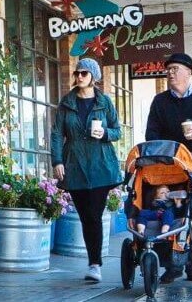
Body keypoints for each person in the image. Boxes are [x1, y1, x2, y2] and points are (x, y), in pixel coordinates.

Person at [144, 52, 192, 282]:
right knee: (171, 210)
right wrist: (163, 148)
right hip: (170, 165)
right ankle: (173, 266)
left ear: (189, 72)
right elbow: (151, 132)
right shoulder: (160, 101)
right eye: (168, 69)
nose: (170, 73)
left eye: (175, 68)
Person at [50, 58, 123, 284]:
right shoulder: (66, 103)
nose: (79, 76)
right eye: (77, 73)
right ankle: (94, 261)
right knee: (85, 216)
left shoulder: (105, 102)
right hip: (75, 165)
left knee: (94, 214)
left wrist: (106, 135)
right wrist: (57, 161)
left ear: (94, 77)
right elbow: (56, 134)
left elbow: (117, 131)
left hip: (101, 165)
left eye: (84, 73)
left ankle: (94, 264)